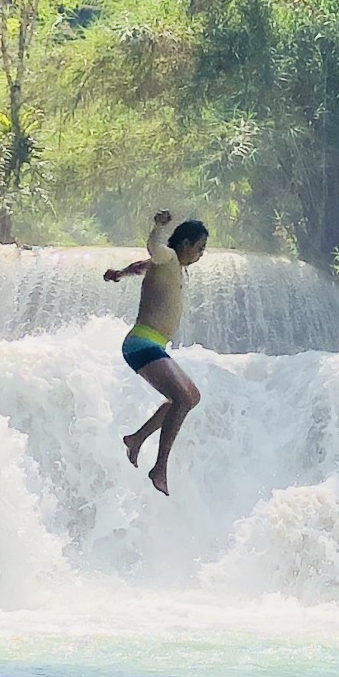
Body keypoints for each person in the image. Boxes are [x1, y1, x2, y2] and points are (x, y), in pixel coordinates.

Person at [104, 211, 210, 495]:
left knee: (191, 397)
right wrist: (159, 226)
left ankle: (136, 439)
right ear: (184, 243)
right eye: (199, 248)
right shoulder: (170, 258)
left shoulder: (168, 265)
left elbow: (142, 265)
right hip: (142, 343)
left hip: (151, 345)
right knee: (183, 398)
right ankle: (159, 466)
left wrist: (121, 274)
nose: (200, 254)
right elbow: (153, 249)